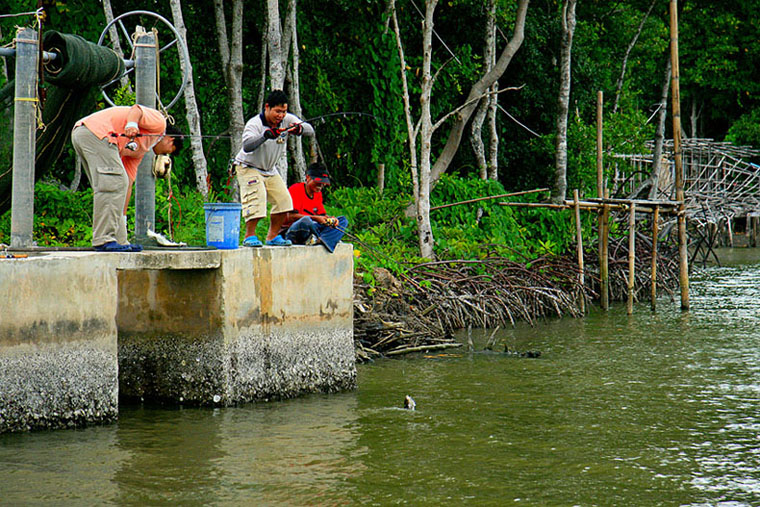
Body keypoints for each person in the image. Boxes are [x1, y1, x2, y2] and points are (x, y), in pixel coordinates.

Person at [71, 104, 183, 252]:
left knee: (115, 184)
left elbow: (127, 184)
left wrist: (123, 232)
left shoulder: (139, 150)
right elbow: (136, 110)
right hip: (96, 133)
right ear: (170, 140)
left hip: (87, 135)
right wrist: (132, 124)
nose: (165, 154)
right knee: (114, 183)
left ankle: (119, 239)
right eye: (170, 151)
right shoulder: (159, 123)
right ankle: (104, 240)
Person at [233, 90, 314, 247]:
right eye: (277, 111)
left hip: (269, 169)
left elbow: (310, 130)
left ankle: (272, 236)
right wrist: (265, 136)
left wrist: (299, 129)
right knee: (257, 198)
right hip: (248, 166)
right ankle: (249, 236)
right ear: (267, 107)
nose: (281, 115)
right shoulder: (254, 124)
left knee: (284, 201)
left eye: (283, 111)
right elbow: (247, 146)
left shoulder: (287, 120)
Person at [281, 163, 348, 253]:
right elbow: (290, 217)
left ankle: (321, 240)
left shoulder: (318, 194)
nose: (320, 187)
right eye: (317, 183)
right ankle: (324, 238)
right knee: (306, 220)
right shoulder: (296, 189)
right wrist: (315, 218)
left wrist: (330, 220)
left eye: (322, 184)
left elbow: (322, 215)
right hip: (295, 229)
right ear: (308, 178)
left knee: (343, 220)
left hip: (313, 228)